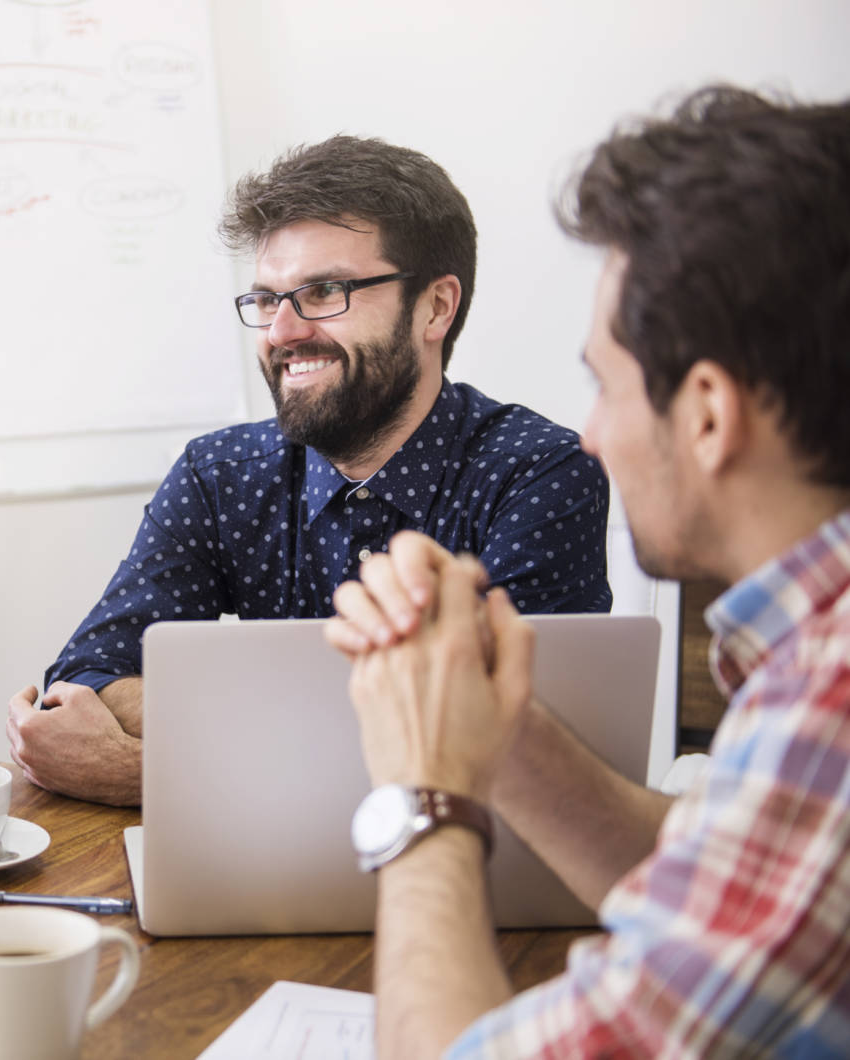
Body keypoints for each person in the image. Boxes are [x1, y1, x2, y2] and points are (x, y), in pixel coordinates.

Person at [327, 86, 850, 1056]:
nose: (591, 433)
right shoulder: (816, 661)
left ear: (706, 413)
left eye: (605, 384)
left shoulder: (832, 700)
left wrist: (423, 797)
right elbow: (726, 883)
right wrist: (498, 721)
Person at [8, 136, 612, 806]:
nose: (281, 332)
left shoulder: (539, 475)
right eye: (267, 300)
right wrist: (328, 743)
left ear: (435, 307)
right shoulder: (221, 474)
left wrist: (155, 775)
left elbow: (507, 758)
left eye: (324, 291)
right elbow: (87, 681)